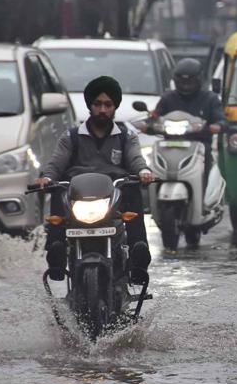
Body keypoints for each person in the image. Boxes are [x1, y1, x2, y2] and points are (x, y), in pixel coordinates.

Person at [37, 76, 155, 282]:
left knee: (133, 189)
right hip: (78, 197)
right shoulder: (71, 137)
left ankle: (138, 257)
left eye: (108, 104)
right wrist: (47, 178)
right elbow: (56, 164)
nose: (102, 109)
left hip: (114, 196)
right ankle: (56, 255)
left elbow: (136, 158)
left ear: (115, 107)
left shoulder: (126, 136)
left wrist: (144, 171)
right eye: (98, 104)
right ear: (90, 106)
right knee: (58, 189)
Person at [149, 58, 226, 185]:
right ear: (175, 80)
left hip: (200, 148)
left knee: (208, 160)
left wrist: (216, 126)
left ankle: (204, 193)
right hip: (169, 146)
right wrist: (148, 123)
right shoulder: (168, 98)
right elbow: (154, 117)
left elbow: (222, 120)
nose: (186, 85)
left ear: (199, 80)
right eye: (182, 81)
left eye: (190, 81)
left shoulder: (210, 99)